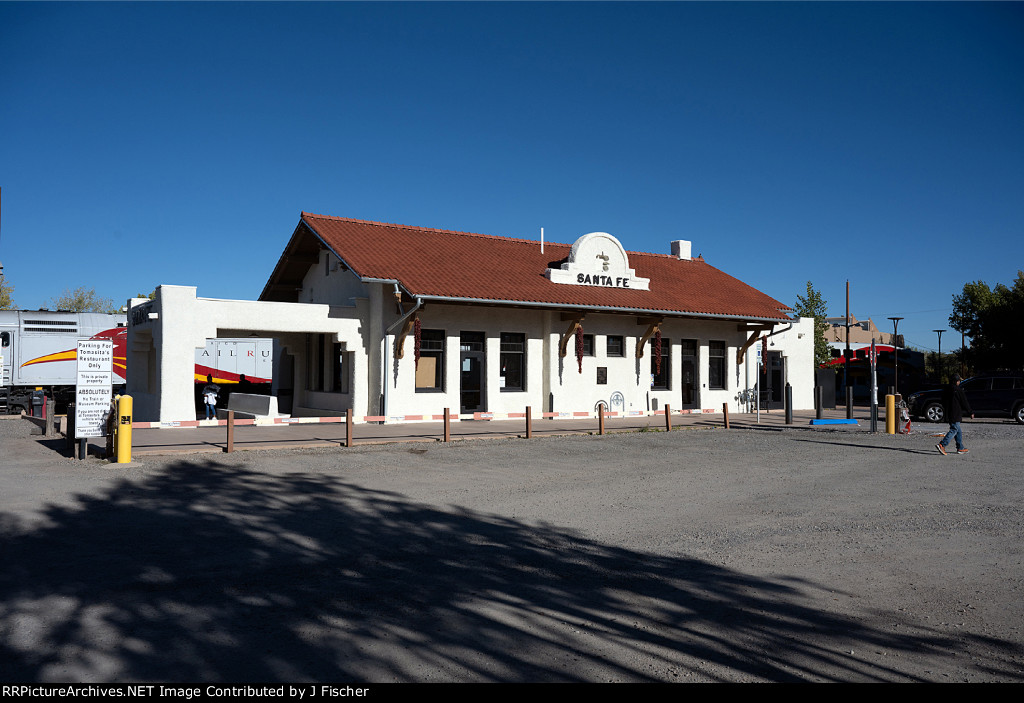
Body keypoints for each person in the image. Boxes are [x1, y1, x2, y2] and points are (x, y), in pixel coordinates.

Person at [936, 374, 973, 455]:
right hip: (956, 413)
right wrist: (970, 412)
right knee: (954, 429)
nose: (959, 382)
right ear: (956, 381)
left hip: (949, 413)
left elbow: (942, 400)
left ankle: (960, 447)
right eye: (959, 381)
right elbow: (964, 402)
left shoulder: (946, 390)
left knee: (958, 430)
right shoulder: (958, 390)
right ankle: (942, 444)